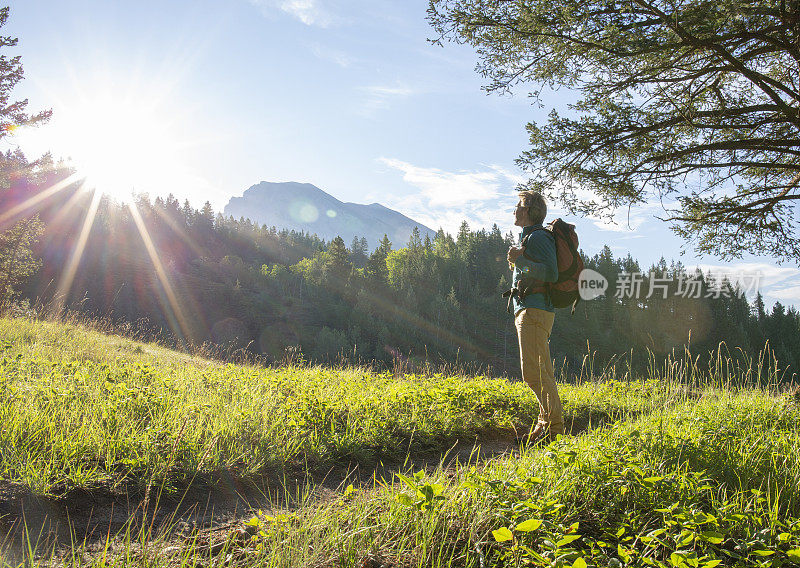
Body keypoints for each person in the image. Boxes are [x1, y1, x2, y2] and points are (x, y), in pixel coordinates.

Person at [506, 191, 563, 444]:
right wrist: (520, 260)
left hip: (535, 310)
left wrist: (521, 262)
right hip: (530, 308)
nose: (514, 210)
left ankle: (554, 428)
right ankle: (546, 422)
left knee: (535, 372)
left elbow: (551, 273)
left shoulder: (539, 237)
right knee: (537, 371)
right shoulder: (531, 237)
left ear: (529, 211)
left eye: (518, 206)